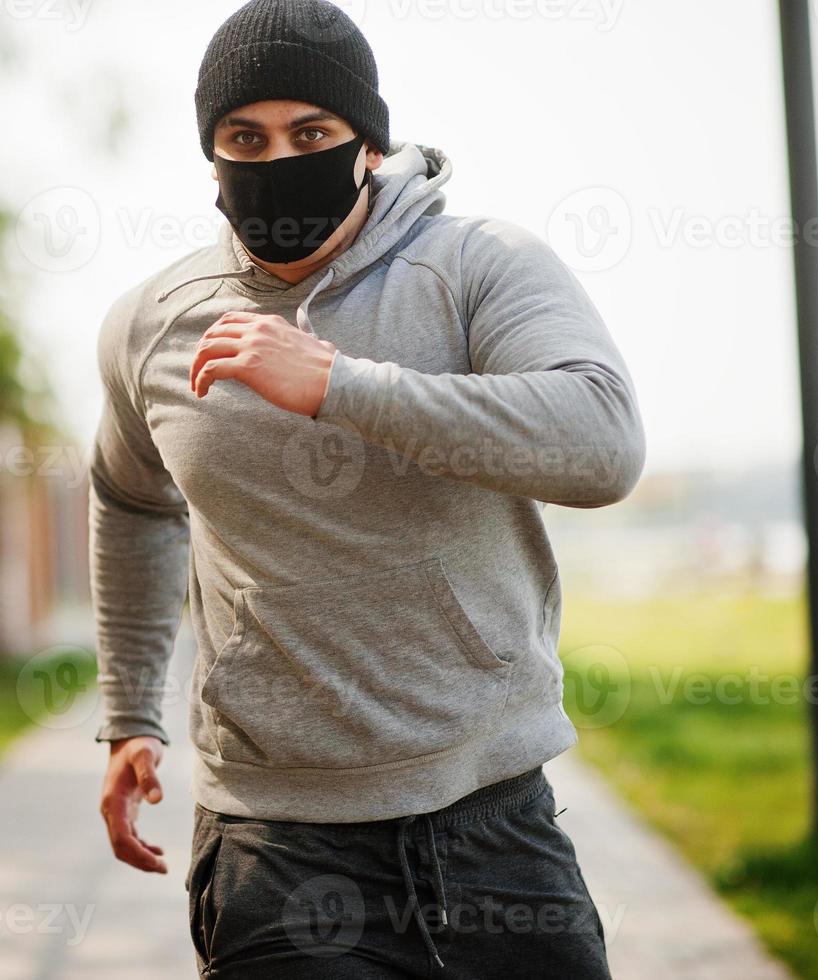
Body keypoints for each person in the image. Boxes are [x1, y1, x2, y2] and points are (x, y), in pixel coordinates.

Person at [89, 0, 644, 976]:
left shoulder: (479, 267)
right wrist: (130, 711)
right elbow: (131, 499)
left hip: (495, 824)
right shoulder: (151, 326)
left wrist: (343, 386)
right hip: (277, 843)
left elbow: (602, 443)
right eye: (243, 138)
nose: (277, 160)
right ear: (211, 160)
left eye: (311, 133)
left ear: (368, 146)